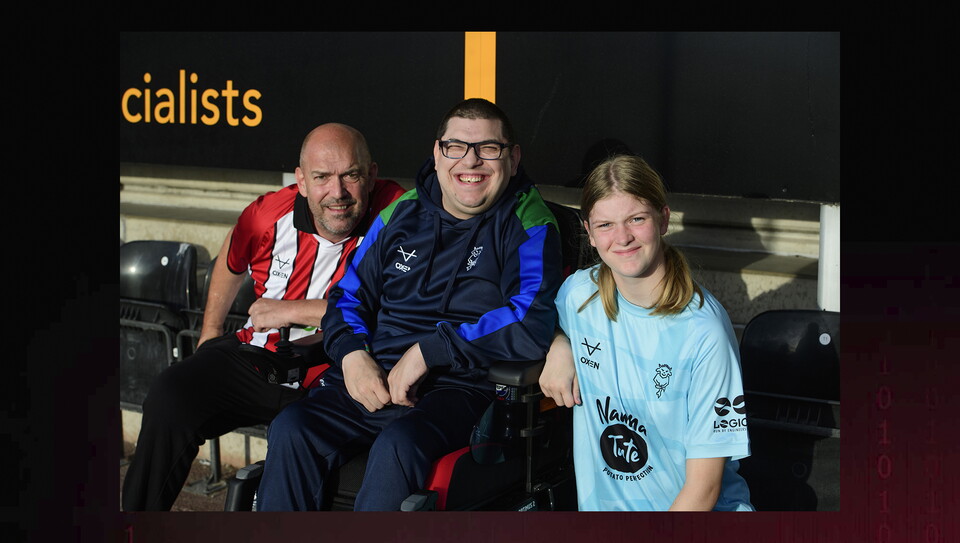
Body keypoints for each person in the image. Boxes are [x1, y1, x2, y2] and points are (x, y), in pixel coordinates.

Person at [255, 98, 564, 511]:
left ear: (513, 157)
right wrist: (351, 356)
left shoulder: (530, 220)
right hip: (375, 375)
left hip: (462, 386)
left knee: (398, 445)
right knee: (292, 427)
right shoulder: (401, 212)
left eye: (488, 148)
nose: (470, 161)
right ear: (437, 154)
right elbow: (347, 297)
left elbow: (529, 321)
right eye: (456, 147)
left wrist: (429, 351)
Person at [121, 123, 406, 511]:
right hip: (261, 360)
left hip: (341, 375)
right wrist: (210, 330)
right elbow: (230, 258)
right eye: (322, 177)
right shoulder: (267, 213)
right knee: (171, 396)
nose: (337, 193)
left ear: (370, 175)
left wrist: (293, 309)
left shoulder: (399, 215)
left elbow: (397, 308)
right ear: (302, 181)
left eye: (350, 176)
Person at [538, 154, 754, 511]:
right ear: (588, 234)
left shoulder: (704, 331)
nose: (622, 238)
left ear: (664, 219)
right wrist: (559, 343)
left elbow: (703, 492)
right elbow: (535, 325)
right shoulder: (577, 295)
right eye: (605, 225)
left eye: (636, 219)